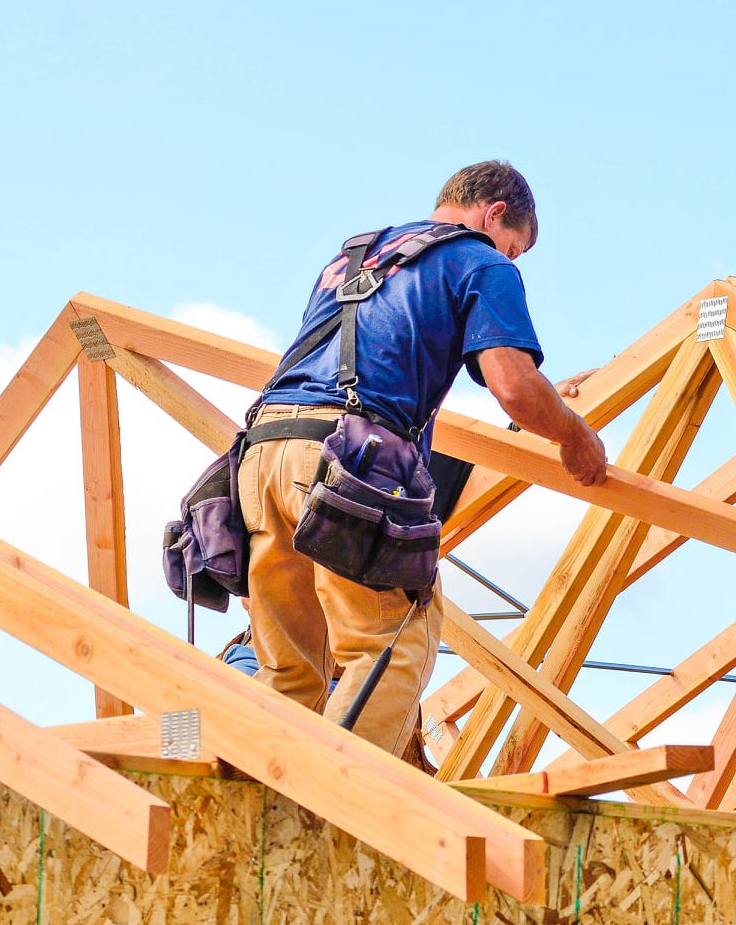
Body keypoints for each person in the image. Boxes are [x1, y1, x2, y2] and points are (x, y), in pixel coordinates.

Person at [236, 160, 607, 757]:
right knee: (394, 642)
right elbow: (513, 383)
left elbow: (370, 361)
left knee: (293, 668)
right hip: (347, 458)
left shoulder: (356, 257)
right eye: (515, 248)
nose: (510, 261)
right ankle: (338, 811)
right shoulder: (480, 261)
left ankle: (272, 807)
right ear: (495, 216)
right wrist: (574, 437)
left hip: (264, 452)